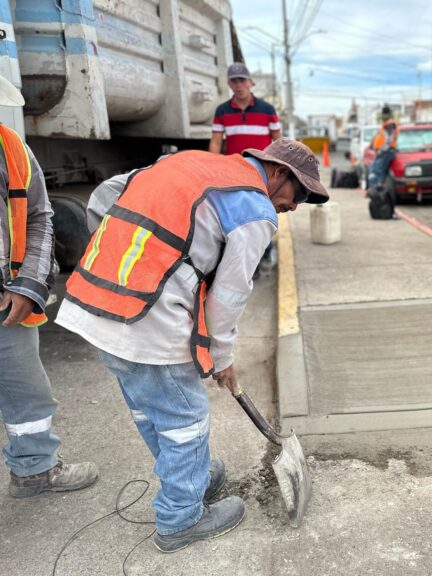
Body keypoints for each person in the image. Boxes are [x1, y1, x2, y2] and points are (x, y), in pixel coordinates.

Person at [56, 139, 328, 552]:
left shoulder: (191, 163)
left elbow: (106, 195)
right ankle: (180, 518)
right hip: (144, 316)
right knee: (185, 418)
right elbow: (229, 296)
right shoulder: (255, 209)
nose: (292, 208)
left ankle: (193, 478)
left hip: (96, 302)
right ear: (277, 172)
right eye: (297, 195)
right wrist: (222, 357)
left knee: (151, 407)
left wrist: (114, 256)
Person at [0, 75, 98, 498]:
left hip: (6, 295)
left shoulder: (11, 149)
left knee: (28, 392)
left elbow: (39, 216)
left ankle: (34, 470)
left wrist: (28, 284)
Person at [209, 62, 283, 271]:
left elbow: (278, 140)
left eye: (242, 80)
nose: (238, 84)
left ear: (250, 82)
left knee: (262, 210)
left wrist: (279, 168)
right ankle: (245, 260)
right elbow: (216, 141)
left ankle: (264, 251)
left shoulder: (267, 110)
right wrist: (212, 167)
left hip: (263, 171)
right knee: (238, 213)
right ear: (229, 84)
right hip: (235, 170)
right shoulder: (222, 111)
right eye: (234, 80)